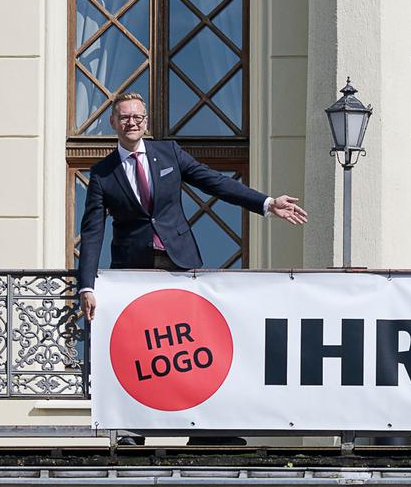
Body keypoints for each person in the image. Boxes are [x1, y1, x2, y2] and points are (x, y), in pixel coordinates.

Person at [76, 91, 306, 320]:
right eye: (125, 117)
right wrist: (87, 286)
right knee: (143, 334)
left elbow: (215, 182)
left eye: (137, 117)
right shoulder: (102, 173)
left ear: (145, 121)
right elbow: (92, 232)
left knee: (183, 331)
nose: (131, 123)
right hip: (132, 266)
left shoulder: (169, 153)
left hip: (178, 261)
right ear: (113, 122)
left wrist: (266, 203)